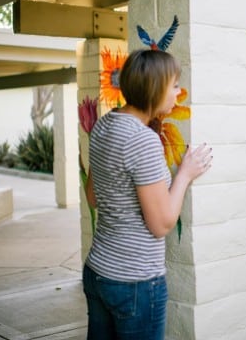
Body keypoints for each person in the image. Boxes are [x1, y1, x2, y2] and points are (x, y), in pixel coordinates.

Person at [82, 49, 212, 340]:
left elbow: (93, 197)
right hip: (134, 283)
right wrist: (185, 175)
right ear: (155, 88)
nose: (178, 93)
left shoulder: (104, 124)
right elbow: (161, 224)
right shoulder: (143, 140)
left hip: (97, 271)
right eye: (174, 85)